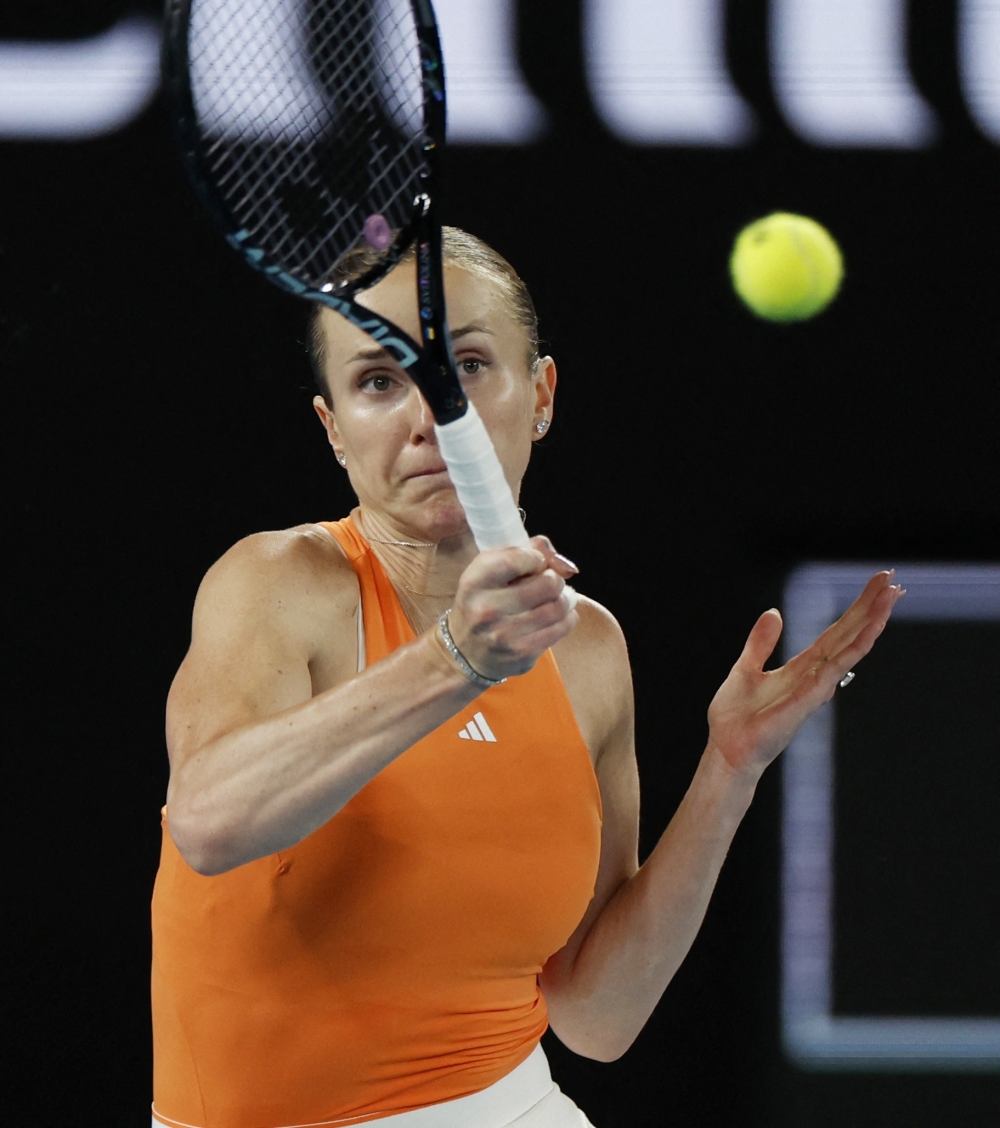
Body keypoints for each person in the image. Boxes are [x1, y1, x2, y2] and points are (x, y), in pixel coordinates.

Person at [151, 228, 903, 1128]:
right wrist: (457, 660)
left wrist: (729, 770)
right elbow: (208, 824)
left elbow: (597, 1013)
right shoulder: (276, 586)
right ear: (334, 429)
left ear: (540, 394)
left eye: (467, 364)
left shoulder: (586, 649)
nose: (430, 415)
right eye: (379, 382)